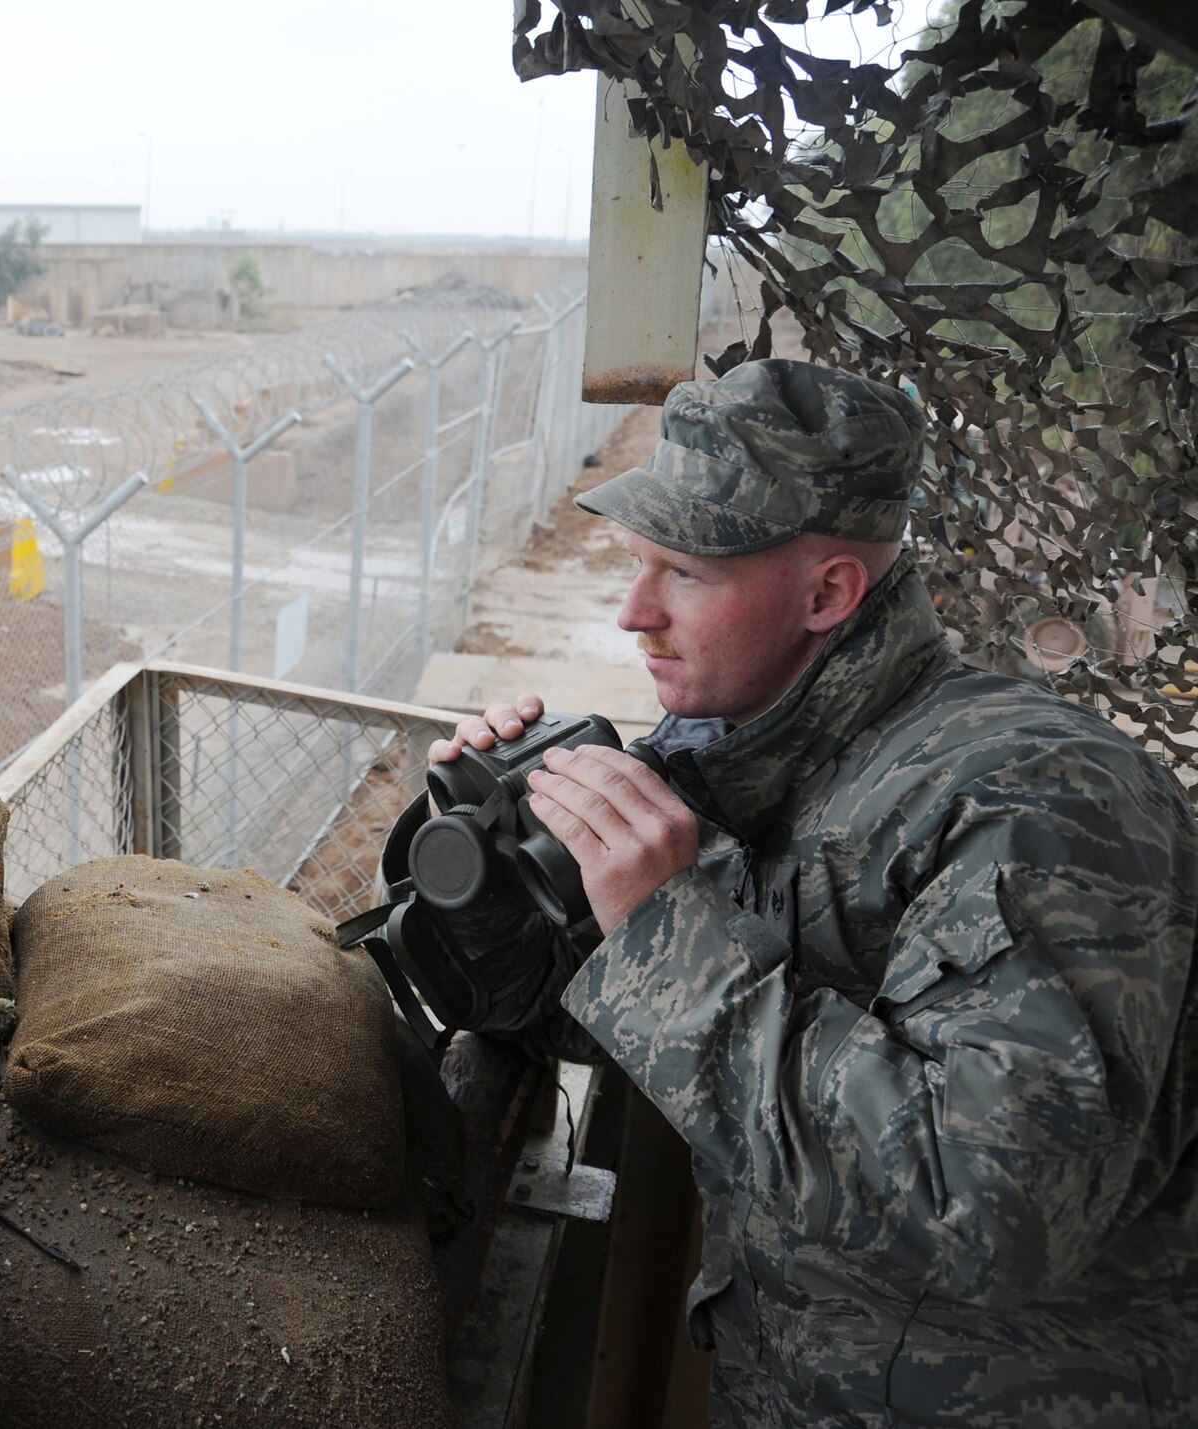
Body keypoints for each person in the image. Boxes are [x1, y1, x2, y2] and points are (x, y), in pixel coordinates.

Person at [429, 358, 1198, 1426]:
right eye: (636, 563)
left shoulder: (1041, 798)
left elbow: (995, 1209)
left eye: (683, 573)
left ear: (828, 593)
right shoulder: (743, 757)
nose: (632, 612)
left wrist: (664, 929)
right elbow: (590, 1024)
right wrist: (494, 884)